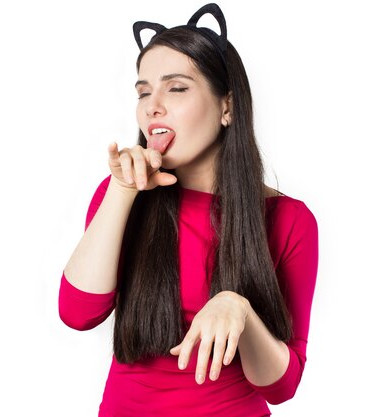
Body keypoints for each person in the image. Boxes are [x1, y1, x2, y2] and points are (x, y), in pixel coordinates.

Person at [58, 3, 319, 416]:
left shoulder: (289, 220)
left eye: (176, 88)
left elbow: (282, 386)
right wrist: (123, 191)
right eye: (144, 92)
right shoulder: (119, 198)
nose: (152, 107)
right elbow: (77, 314)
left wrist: (241, 310)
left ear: (227, 107)